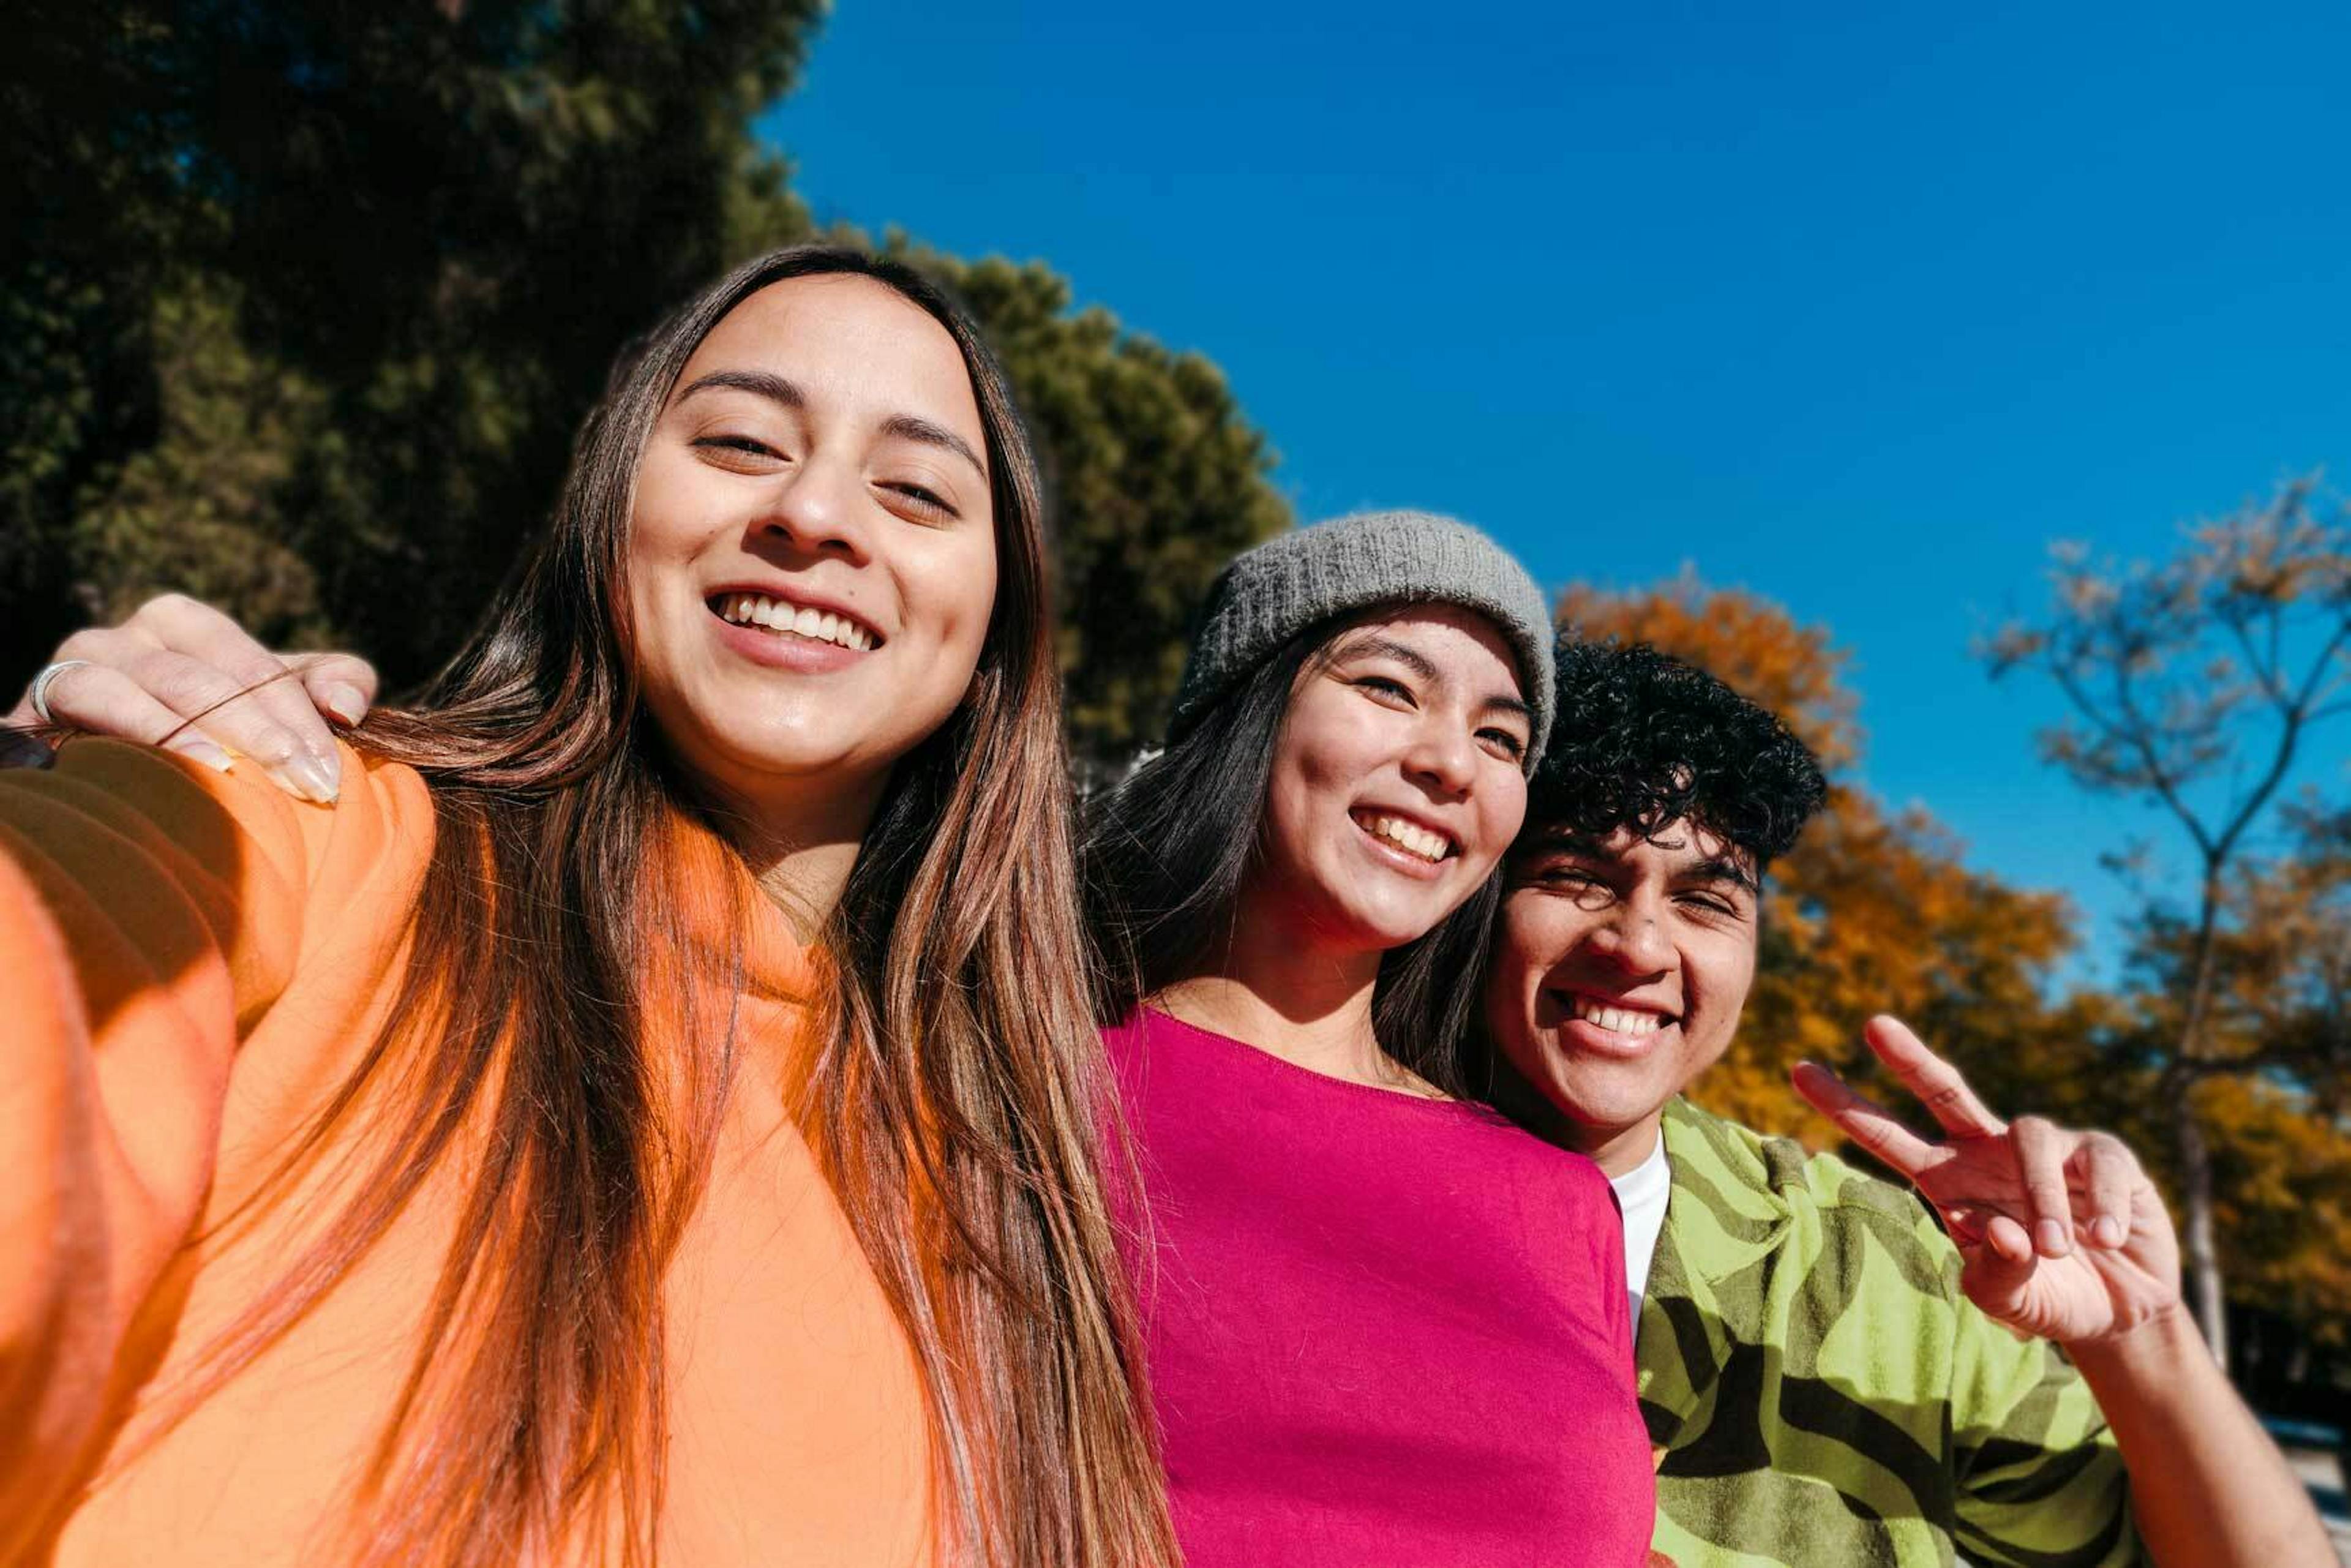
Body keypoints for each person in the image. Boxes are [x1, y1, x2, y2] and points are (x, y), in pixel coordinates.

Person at [0, 246, 1172, 1568]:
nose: (817, 513)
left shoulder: (1011, 1204)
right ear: (611, 504)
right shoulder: (308, 818)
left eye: (915, 491)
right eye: (739, 441)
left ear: (996, 630)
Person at [1481, 637, 2336, 1567]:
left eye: (1706, 901)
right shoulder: (1325, 1208)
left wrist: (2144, 1337)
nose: (1639, 943)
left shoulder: (1876, 1259)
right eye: (1575, 875)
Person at [1084, 512, 1657, 1567]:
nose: (1451, 761)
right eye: (1389, 687)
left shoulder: (1565, 1201)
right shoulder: (1022, 1086)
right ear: (1245, 712)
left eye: (1501, 736)